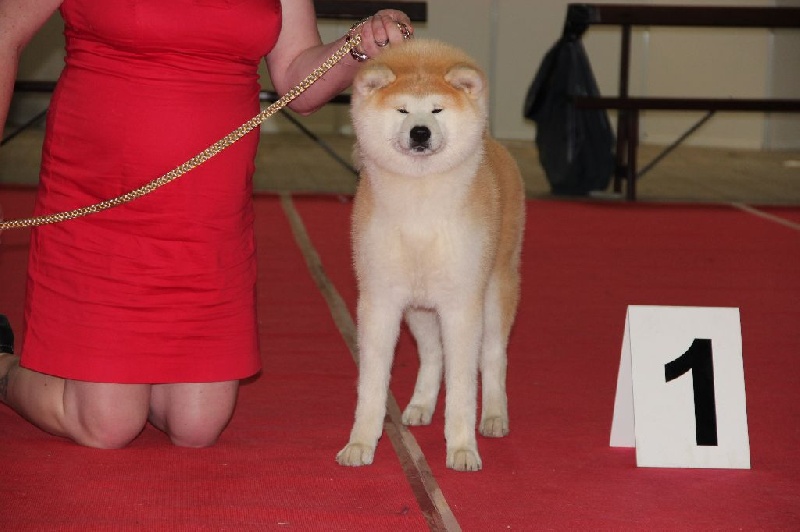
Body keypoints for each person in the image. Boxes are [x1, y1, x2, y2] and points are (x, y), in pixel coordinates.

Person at [0, 0, 413, 449]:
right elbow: (6, 29)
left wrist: (358, 47)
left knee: (196, 427)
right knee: (108, 425)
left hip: (207, 217)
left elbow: (299, 80)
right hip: (100, 201)